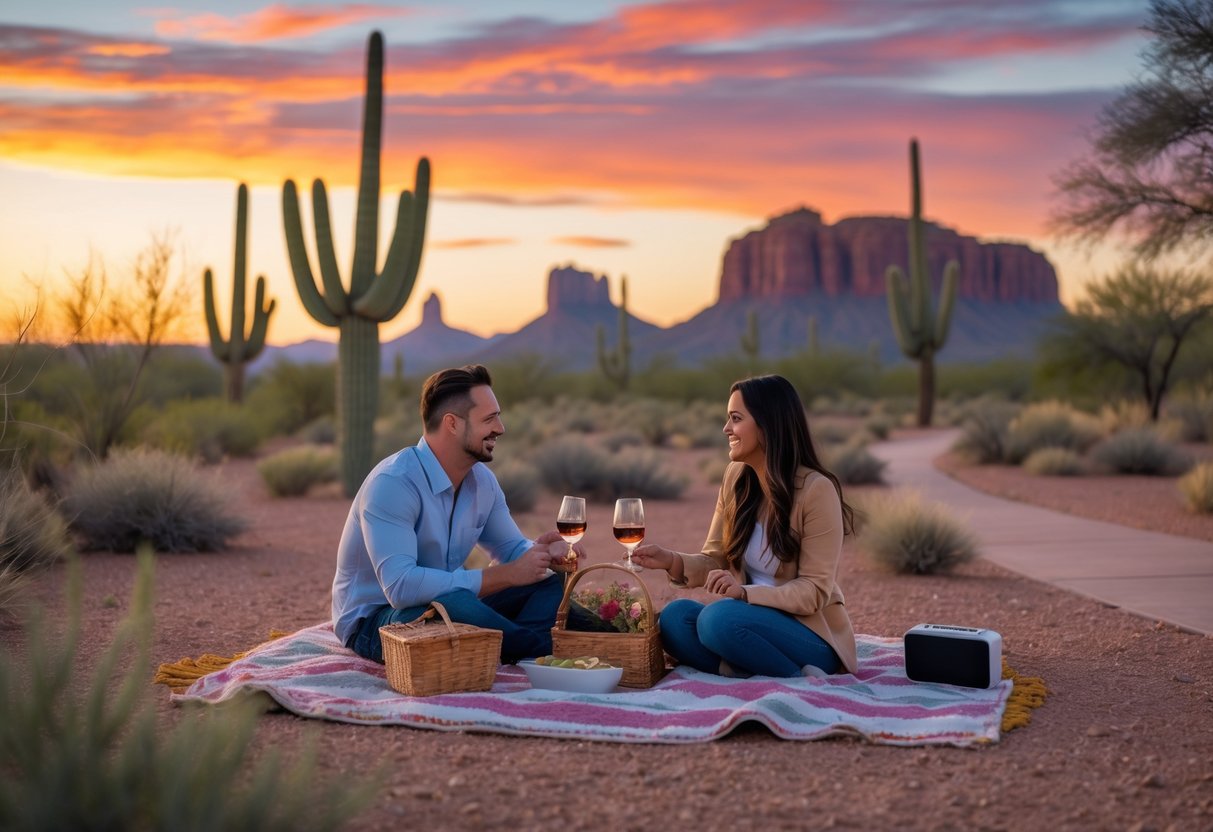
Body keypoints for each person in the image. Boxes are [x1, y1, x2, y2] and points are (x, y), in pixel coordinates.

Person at [332, 364, 578, 665]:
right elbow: (401, 587)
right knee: (454, 602)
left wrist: (539, 554)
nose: (500, 428)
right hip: (378, 620)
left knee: (546, 582)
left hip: (451, 603)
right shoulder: (394, 483)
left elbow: (509, 548)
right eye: (489, 419)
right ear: (452, 424)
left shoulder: (482, 481)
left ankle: (513, 647)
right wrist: (506, 575)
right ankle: (538, 648)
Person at [630, 374, 857, 678]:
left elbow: (813, 592)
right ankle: (746, 671)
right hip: (746, 621)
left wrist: (745, 594)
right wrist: (672, 561)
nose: (726, 429)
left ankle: (793, 678)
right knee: (674, 618)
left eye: (736, 419)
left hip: (808, 635)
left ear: (768, 424)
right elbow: (715, 557)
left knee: (717, 620)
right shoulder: (735, 477)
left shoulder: (816, 490)